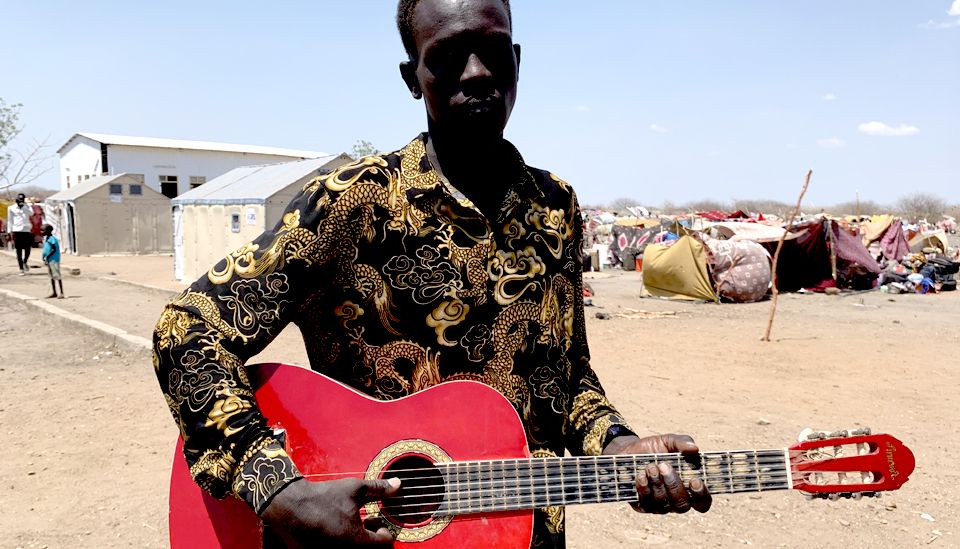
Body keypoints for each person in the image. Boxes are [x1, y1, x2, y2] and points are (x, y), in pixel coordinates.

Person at [152, 1, 710, 546]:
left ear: (518, 59)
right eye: (447, 55)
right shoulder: (355, 204)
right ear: (412, 78)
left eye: (494, 51)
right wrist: (281, 492)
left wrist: (618, 447)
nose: (478, 73)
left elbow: (564, 379)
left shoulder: (553, 205)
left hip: (523, 532)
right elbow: (188, 329)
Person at [7, 193, 35, 275]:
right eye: (19, 200)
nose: (20, 201)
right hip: (16, 230)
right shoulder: (11, 208)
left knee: (27, 248)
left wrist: (25, 206)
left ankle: (25, 261)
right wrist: (9, 231)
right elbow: (10, 220)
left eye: (22, 200)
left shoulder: (27, 207)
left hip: (26, 229)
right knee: (18, 250)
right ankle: (21, 268)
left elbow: (31, 214)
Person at [41, 225, 64, 299]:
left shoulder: (52, 239)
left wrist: (47, 256)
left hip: (54, 260)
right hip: (49, 260)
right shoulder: (47, 239)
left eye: (43, 230)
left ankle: (61, 292)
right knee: (51, 276)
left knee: (57, 276)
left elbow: (54, 249)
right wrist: (44, 257)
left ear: (48, 231)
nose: (41, 232)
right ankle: (54, 292)